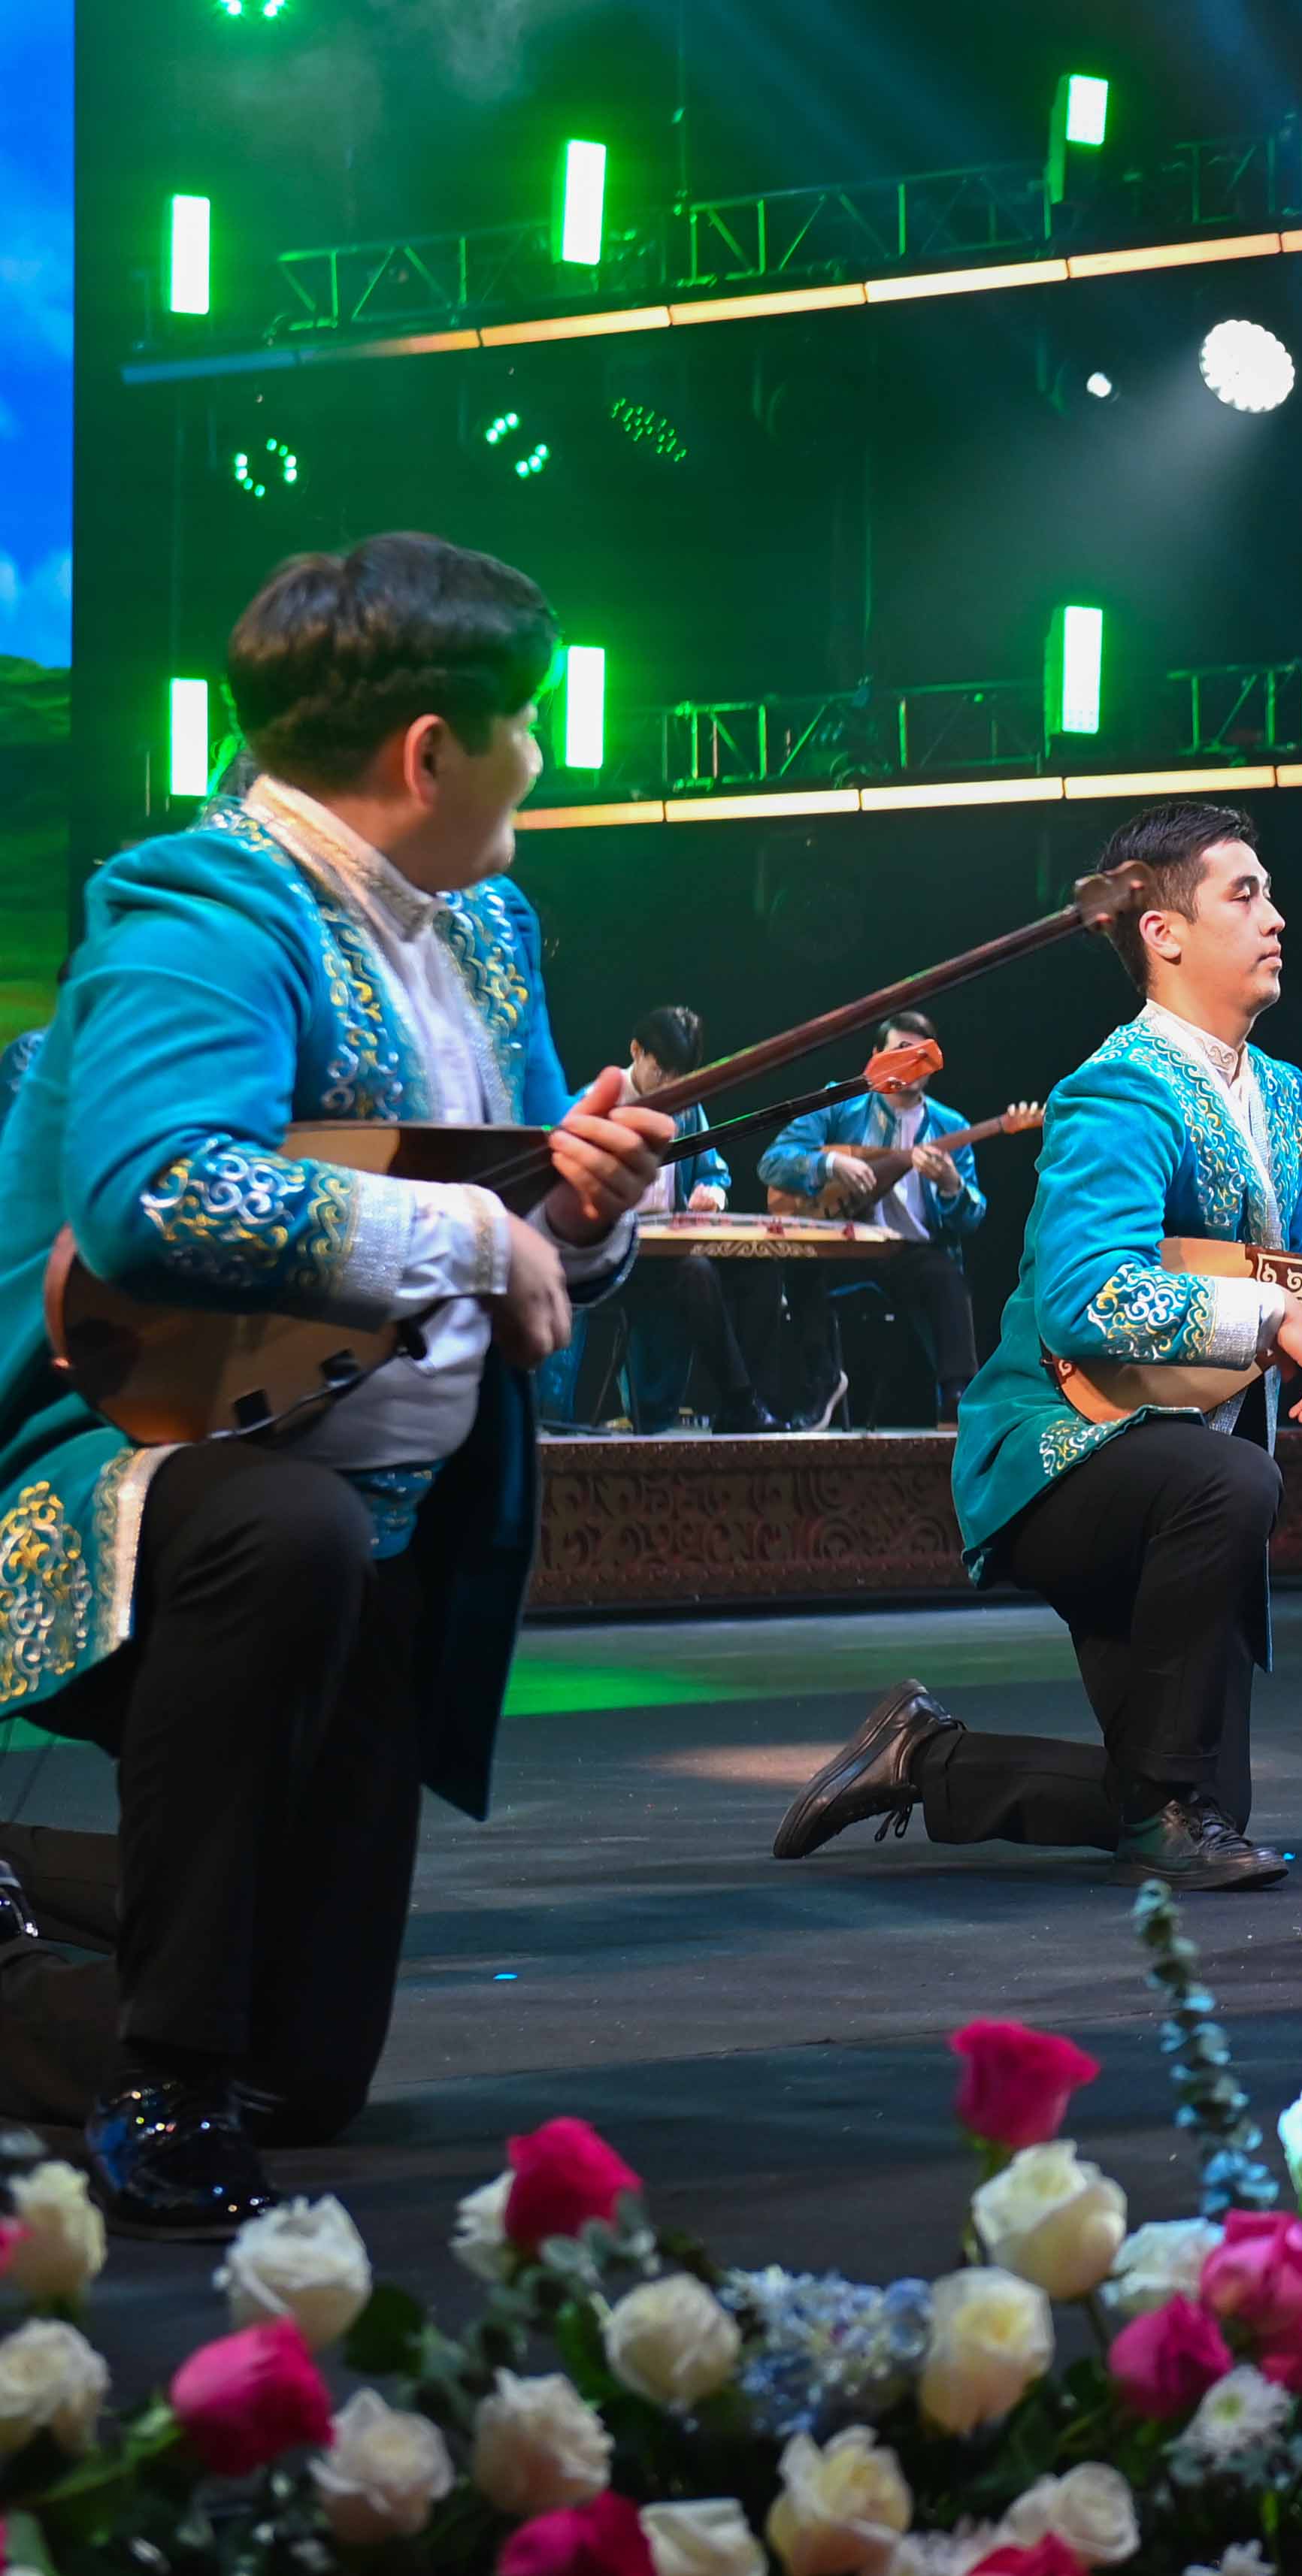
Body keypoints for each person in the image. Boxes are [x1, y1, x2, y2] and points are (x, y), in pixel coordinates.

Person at [0, 533, 672, 2227]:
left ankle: (100, 1949)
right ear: (430, 752)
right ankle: (158, 2072)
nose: (543, 755)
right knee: (279, 1532)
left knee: (305, 2081)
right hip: (126, 1457)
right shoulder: (200, 904)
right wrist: (474, 1235)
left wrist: (583, 1213)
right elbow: (155, 1191)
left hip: (388, 1509)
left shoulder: (491, 927)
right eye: (525, 722)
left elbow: (521, 1212)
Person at [772, 803, 1302, 1892]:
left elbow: (1285, 1288)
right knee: (1233, 1487)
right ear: (1162, 932)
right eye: (1244, 895)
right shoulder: (1118, 1087)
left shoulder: (1285, 1096)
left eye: (1269, 894)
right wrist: (1270, 1317)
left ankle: (923, 1758)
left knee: (1192, 1801)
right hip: (1066, 1449)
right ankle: (1149, 1798)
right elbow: (1086, 1299)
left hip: (1185, 1473)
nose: (1275, 917)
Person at [758, 1011, 986, 1426]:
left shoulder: (949, 1126)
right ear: (877, 1055)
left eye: (922, 1056)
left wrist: (952, 1186)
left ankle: (958, 1398)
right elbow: (773, 1163)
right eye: (902, 1051)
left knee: (946, 1277)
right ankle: (823, 1380)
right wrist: (829, 1165)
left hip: (908, 1252)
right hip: (845, 1244)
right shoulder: (840, 1104)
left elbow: (971, 1220)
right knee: (799, 1265)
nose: (912, 1064)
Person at [565, 1005, 774, 1435]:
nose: (669, 1087)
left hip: (667, 1249)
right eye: (661, 1072)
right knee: (694, 1273)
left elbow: (715, 1171)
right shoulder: (596, 1102)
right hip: (611, 1260)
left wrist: (711, 1194)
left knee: (761, 1269)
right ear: (636, 1051)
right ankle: (740, 1401)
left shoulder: (687, 1108)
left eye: (679, 1077)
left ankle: (745, 1403)